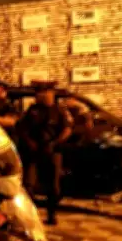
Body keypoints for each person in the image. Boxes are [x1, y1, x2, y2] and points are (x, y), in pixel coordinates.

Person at [17, 82, 73, 225]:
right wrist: (30, 142)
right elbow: (22, 128)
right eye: (39, 93)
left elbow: (67, 129)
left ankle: (51, 214)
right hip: (34, 152)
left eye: (44, 92)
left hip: (53, 152)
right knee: (29, 184)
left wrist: (54, 143)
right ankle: (30, 216)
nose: (41, 95)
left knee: (53, 186)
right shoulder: (32, 110)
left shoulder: (60, 110)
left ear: (51, 94)